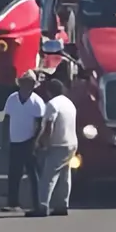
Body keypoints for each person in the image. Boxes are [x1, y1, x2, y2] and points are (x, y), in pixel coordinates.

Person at [28, 78, 76, 217]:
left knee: (48, 177)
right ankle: (62, 205)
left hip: (58, 144)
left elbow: (49, 125)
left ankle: (42, 206)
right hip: (71, 142)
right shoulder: (69, 103)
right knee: (65, 176)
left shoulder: (52, 104)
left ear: (49, 91)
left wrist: (42, 143)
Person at [2, 71, 45, 212]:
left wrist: (35, 142)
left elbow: (41, 125)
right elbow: (6, 119)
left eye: (31, 83)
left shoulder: (37, 102)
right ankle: (12, 203)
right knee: (14, 173)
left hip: (29, 141)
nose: (28, 86)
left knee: (33, 175)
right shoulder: (12, 99)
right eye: (25, 82)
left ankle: (37, 203)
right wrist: (4, 139)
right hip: (15, 140)